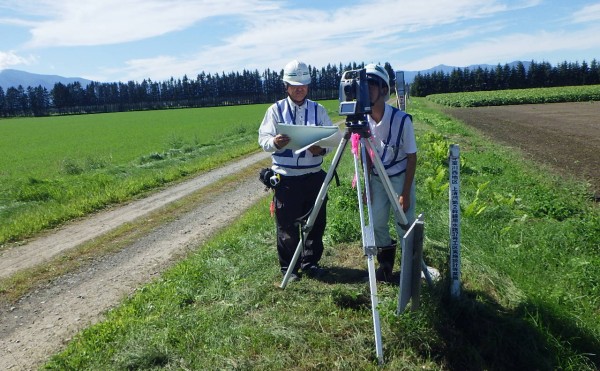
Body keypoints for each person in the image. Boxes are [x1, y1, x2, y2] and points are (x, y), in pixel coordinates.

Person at [258, 60, 334, 281]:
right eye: (295, 85)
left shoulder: (318, 110)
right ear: (286, 86)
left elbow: (330, 139)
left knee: (316, 223)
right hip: (286, 177)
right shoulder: (275, 110)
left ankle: (311, 263)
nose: (299, 88)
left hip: (313, 177)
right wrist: (275, 143)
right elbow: (263, 140)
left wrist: (322, 149)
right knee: (287, 226)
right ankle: (289, 269)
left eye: (303, 84)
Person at [364, 63, 417, 282]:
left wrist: (405, 192)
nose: (366, 91)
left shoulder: (402, 120)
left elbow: (412, 156)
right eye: (363, 86)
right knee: (377, 222)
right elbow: (365, 154)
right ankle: (385, 263)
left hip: (399, 176)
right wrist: (367, 184)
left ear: (384, 90)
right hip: (377, 177)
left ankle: (410, 267)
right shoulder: (364, 121)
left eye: (371, 86)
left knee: (404, 221)